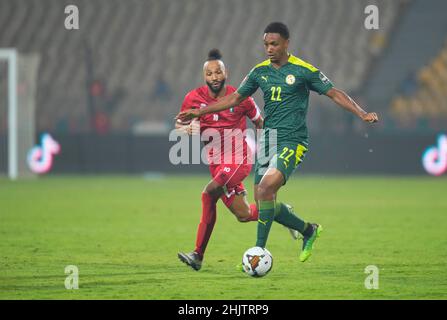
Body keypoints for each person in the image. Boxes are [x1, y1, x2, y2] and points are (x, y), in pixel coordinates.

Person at [177, 22, 379, 263]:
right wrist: (199, 113)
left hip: (293, 140)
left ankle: (257, 253)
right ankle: (308, 230)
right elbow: (234, 98)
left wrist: (362, 113)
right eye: (266, 44)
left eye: (274, 44)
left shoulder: (303, 70)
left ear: (286, 43)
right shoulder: (258, 72)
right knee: (263, 201)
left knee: (263, 190)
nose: (269, 49)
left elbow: (334, 92)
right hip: (269, 141)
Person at [177, 49, 297, 271]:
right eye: (210, 73)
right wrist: (186, 129)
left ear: (226, 73)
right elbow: (181, 125)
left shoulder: (241, 98)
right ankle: (282, 212)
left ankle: (198, 255)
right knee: (243, 214)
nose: (214, 77)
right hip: (216, 165)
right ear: (205, 76)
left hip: (238, 159)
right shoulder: (193, 98)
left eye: (218, 72)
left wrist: (269, 151)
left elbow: (260, 123)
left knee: (208, 193)